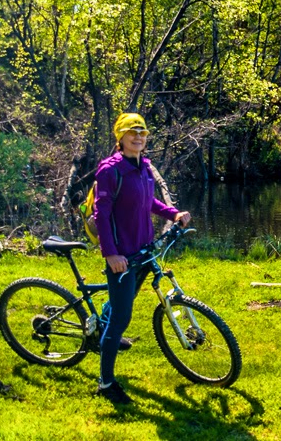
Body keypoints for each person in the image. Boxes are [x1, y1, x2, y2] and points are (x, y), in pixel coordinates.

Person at [93, 113, 190, 405]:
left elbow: (149, 202)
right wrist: (111, 253)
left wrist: (173, 214)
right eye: (132, 133)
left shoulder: (144, 167)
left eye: (143, 133)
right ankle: (106, 383)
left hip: (144, 249)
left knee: (124, 301)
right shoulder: (110, 171)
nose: (138, 137)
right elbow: (102, 215)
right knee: (121, 317)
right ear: (120, 138)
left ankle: (100, 329)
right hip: (121, 255)